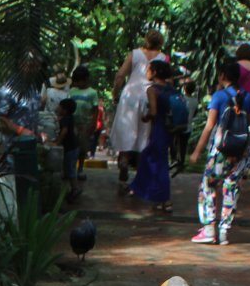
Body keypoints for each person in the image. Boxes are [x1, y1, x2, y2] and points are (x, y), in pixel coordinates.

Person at [187, 60, 250, 245]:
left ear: (222, 76)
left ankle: (209, 228)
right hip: (241, 152)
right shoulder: (248, 97)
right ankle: (225, 231)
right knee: (231, 188)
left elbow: (210, 125)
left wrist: (196, 151)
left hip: (221, 150)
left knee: (209, 185)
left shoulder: (219, 97)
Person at [111, 30, 165, 190]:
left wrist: (115, 93)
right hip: (150, 97)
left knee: (127, 131)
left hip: (130, 96)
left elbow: (120, 75)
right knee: (144, 135)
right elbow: (166, 80)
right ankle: (140, 176)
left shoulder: (134, 54)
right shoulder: (163, 58)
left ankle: (124, 161)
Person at [128, 58, 175, 211]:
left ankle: (165, 199)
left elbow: (154, 112)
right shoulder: (170, 88)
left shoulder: (152, 89)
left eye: (149, 69)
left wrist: (145, 117)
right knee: (153, 160)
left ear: (154, 72)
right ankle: (156, 196)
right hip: (169, 129)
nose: (147, 72)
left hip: (159, 129)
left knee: (157, 163)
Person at [0, 48, 47, 150]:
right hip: (11, 151)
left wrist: (38, 133)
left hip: (29, 148)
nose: (35, 69)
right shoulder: (8, 90)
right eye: (31, 66)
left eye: (37, 66)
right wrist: (20, 131)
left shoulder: (32, 88)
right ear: (20, 64)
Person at [67, 65, 102, 166]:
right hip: (72, 122)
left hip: (85, 123)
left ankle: (80, 168)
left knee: (82, 147)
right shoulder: (72, 91)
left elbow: (95, 109)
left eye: (79, 81)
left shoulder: (92, 93)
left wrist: (93, 123)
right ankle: (71, 167)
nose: (78, 83)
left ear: (86, 79)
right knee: (72, 146)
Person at [57, 97, 82, 202]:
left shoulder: (66, 119)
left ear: (64, 110)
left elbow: (64, 131)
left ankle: (75, 189)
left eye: (60, 107)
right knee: (70, 169)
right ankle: (72, 189)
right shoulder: (69, 118)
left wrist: (57, 142)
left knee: (70, 170)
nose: (58, 108)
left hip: (70, 148)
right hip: (73, 147)